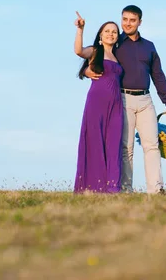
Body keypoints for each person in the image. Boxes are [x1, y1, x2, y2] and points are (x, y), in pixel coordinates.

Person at [84, 5, 166, 195]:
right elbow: (96, 60)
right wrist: (86, 71)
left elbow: (158, 75)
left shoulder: (149, 46)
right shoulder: (115, 44)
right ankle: (126, 189)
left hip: (145, 101)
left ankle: (156, 189)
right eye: (124, 19)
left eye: (132, 20)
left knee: (151, 145)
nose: (127, 23)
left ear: (139, 22)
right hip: (123, 100)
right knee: (126, 147)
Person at [72, 12, 124, 194]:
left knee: (114, 143)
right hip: (96, 103)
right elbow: (78, 51)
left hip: (116, 105)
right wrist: (80, 30)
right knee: (95, 141)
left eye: (114, 32)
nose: (111, 34)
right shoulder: (95, 51)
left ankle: (113, 187)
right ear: (101, 35)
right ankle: (94, 186)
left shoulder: (118, 56)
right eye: (107, 31)